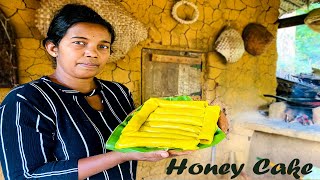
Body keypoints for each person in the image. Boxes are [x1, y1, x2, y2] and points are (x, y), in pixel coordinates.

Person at [0, 4, 192, 179]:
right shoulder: (25, 100)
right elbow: (24, 176)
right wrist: (120, 156)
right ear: (53, 48)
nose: (92, 53)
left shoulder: (117, 93)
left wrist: (206, 120)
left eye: (103, 46)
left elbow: (143, 136)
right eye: (79, 43)